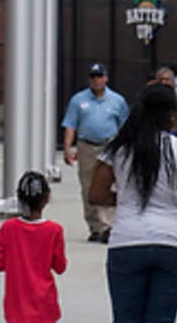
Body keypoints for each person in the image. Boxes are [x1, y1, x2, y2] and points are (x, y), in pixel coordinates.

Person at [90, 84, 177, 323]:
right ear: (172, 114)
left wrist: (125, 197)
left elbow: (96, 194)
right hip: (173, 243)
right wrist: (173, 198)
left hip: (127, 241)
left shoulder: (119, 149)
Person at [61, 63, 130, 243]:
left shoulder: (117, 100)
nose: (96, 80)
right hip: (87, 146)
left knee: (111, 185)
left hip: (110, 145)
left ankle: (109, 225)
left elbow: (124, 127)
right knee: (88, 186)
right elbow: (70, 125)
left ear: (106, 78)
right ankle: (95, 227)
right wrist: (68, 148)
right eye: (93, 76)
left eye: (100, 76)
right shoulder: (78, 100)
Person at [0, 172, 68, 323]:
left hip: (16, 304)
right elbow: (60, 267)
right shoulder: (54, 230)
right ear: (46, 198)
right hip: (44, 303)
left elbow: (0, 264)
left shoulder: (8, 228)